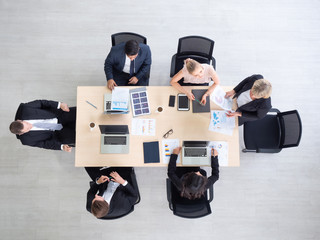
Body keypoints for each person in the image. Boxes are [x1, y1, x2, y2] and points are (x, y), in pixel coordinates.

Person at [9, 99, 76, 152]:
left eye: (26, 123)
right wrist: (61, 147)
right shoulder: (26, 140)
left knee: (80, 114)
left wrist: (60, 104)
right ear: (21, 133)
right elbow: (44, 144)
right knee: (76, 137)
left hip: (58, 115)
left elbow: (42, 103)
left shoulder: (25, 108)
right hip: (58, 134)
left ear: (19, 120)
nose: (30, 126)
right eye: (27, 129)